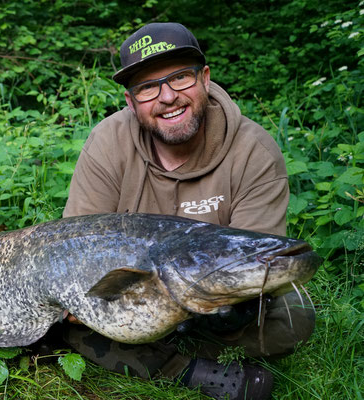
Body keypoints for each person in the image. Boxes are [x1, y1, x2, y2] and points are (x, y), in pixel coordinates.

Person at [60, 22, 315, 400]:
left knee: (294, 313)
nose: (166, 97)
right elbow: (74, 248)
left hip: (218, 304)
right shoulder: (107, 142)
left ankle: (149, 353)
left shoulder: (254, 151)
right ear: (131, 102)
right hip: (134, 295)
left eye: (179, 78)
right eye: (147, 87)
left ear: (205, 79)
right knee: (65, 309)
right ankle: (186, 369)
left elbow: (254, 267)